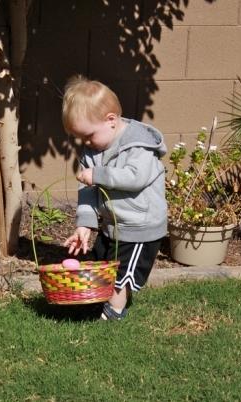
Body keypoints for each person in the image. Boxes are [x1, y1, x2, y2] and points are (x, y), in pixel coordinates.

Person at [62, 75, 168, 320]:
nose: (86, 143)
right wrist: (85, 224)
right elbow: (88, 191)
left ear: (110, 120)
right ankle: (103, 302)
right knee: (104, 266)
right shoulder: (93, 151)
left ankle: (113, 312)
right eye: (81, 139)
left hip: (141, 225)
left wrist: (98, 174)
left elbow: (134, 178)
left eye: (88, 136)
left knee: (121, 275)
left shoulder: (139, 146)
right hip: (113, 225)